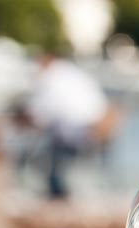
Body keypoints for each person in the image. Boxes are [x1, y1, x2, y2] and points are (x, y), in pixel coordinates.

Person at [26, 53, 116, 198]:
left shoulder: (52, 78)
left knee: (46, 150)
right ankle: (63, 190)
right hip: (96, 126)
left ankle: (57, 193)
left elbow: (43, 113)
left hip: (78, 128)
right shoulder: (71, 72)